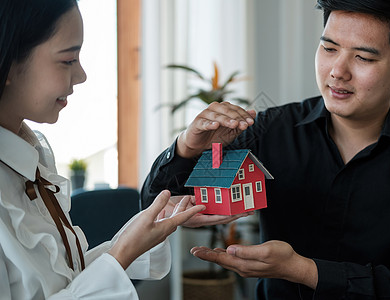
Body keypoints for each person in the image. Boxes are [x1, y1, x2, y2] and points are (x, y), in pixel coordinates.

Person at [142, 0, 390, 299]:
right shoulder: (269, 130)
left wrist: (302, 270)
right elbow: (156, 208)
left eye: (363, 58)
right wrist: (187, 147)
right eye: (329, 48)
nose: (337, 71)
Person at [0, 0, 233, 299]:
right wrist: (121, 253)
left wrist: (148, 227)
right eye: (68, 60)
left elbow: (69, 280)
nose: (82, 75)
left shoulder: (33, 159)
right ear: (7, 60)